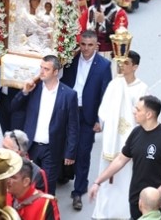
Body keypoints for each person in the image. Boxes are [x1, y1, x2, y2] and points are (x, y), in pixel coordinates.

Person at [89, 95, 161, 219]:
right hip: (136, 201)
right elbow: (120, 160)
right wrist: (98, 182)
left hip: (158, 205)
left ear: (149, 114)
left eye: (138, 109)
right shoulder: (136, 133)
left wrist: (155, 195)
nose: (134, 111)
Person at [92, 50, 148, 220]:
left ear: (135, 66)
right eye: (121, 63)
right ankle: (102, 212)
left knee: (124, 178)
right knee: (106, 173)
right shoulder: (114, 84)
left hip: (127, 138)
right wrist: (103, 123)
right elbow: (105, 106)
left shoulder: (142, 88)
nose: (122, 66)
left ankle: (122, 213)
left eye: (127, 63)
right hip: (111, 137)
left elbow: (142, 114)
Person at [13, 55, 79, 196]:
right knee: (27, 185)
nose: (41, 72)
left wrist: (70, 152)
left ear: (55, 72)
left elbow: (73, 126)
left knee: (47, 187)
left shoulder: (69, 95)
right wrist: (24, 91)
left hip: (52, 148)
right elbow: (14, 107)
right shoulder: (33, 89)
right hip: (31, 146)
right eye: (41, 68)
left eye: (46, 69)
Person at [60, 31, 112, 210]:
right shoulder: (71, 59)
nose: (86, 48)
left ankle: (78, 191)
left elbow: (106, 93)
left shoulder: (104, 65)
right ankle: (64, 174)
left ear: (96, 46)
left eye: (90, 45)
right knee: (64, 146)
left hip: (88, 115)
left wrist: (100, 119)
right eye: (83, 44)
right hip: (68, 110)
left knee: (83, 152)